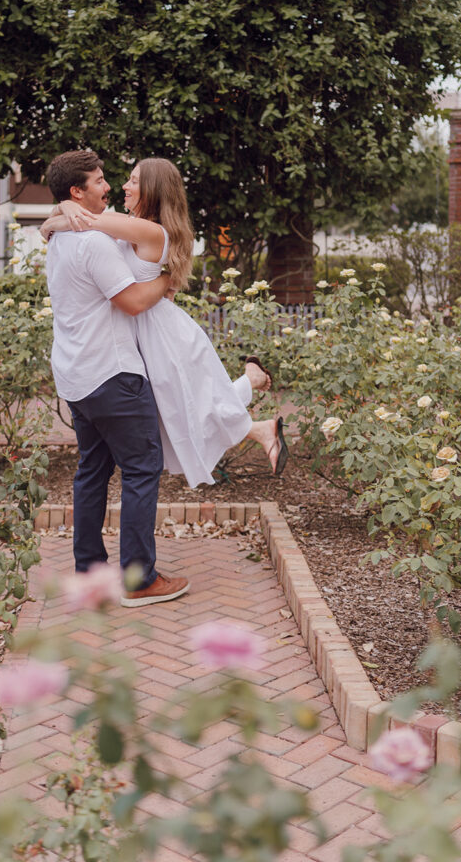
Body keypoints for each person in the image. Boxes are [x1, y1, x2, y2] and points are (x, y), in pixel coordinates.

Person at [41, 156, 288, 489]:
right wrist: (66, 210)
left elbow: (81, 223)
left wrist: (65, 212)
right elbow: (63, 226)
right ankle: (255, 405)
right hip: (142, 330)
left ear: (152, 191)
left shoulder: (146, 229)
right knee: (185, 407)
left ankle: (252, 386)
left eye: (133, 181)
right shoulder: (130, 222)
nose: (122, 186)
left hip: (159, 331)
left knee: (187, 407)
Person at [44, 150, 190, 608]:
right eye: (101, 181)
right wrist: (166, 281)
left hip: (74, 374)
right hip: (112, 373)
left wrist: (60, 215)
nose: (108, 187)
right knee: (142, 469)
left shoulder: (62, 239)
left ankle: (89, 570)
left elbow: (52, 226)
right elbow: (129, 302)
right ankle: (139, 579)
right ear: (77, 192)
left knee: (92, 470)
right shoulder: (93, 242)